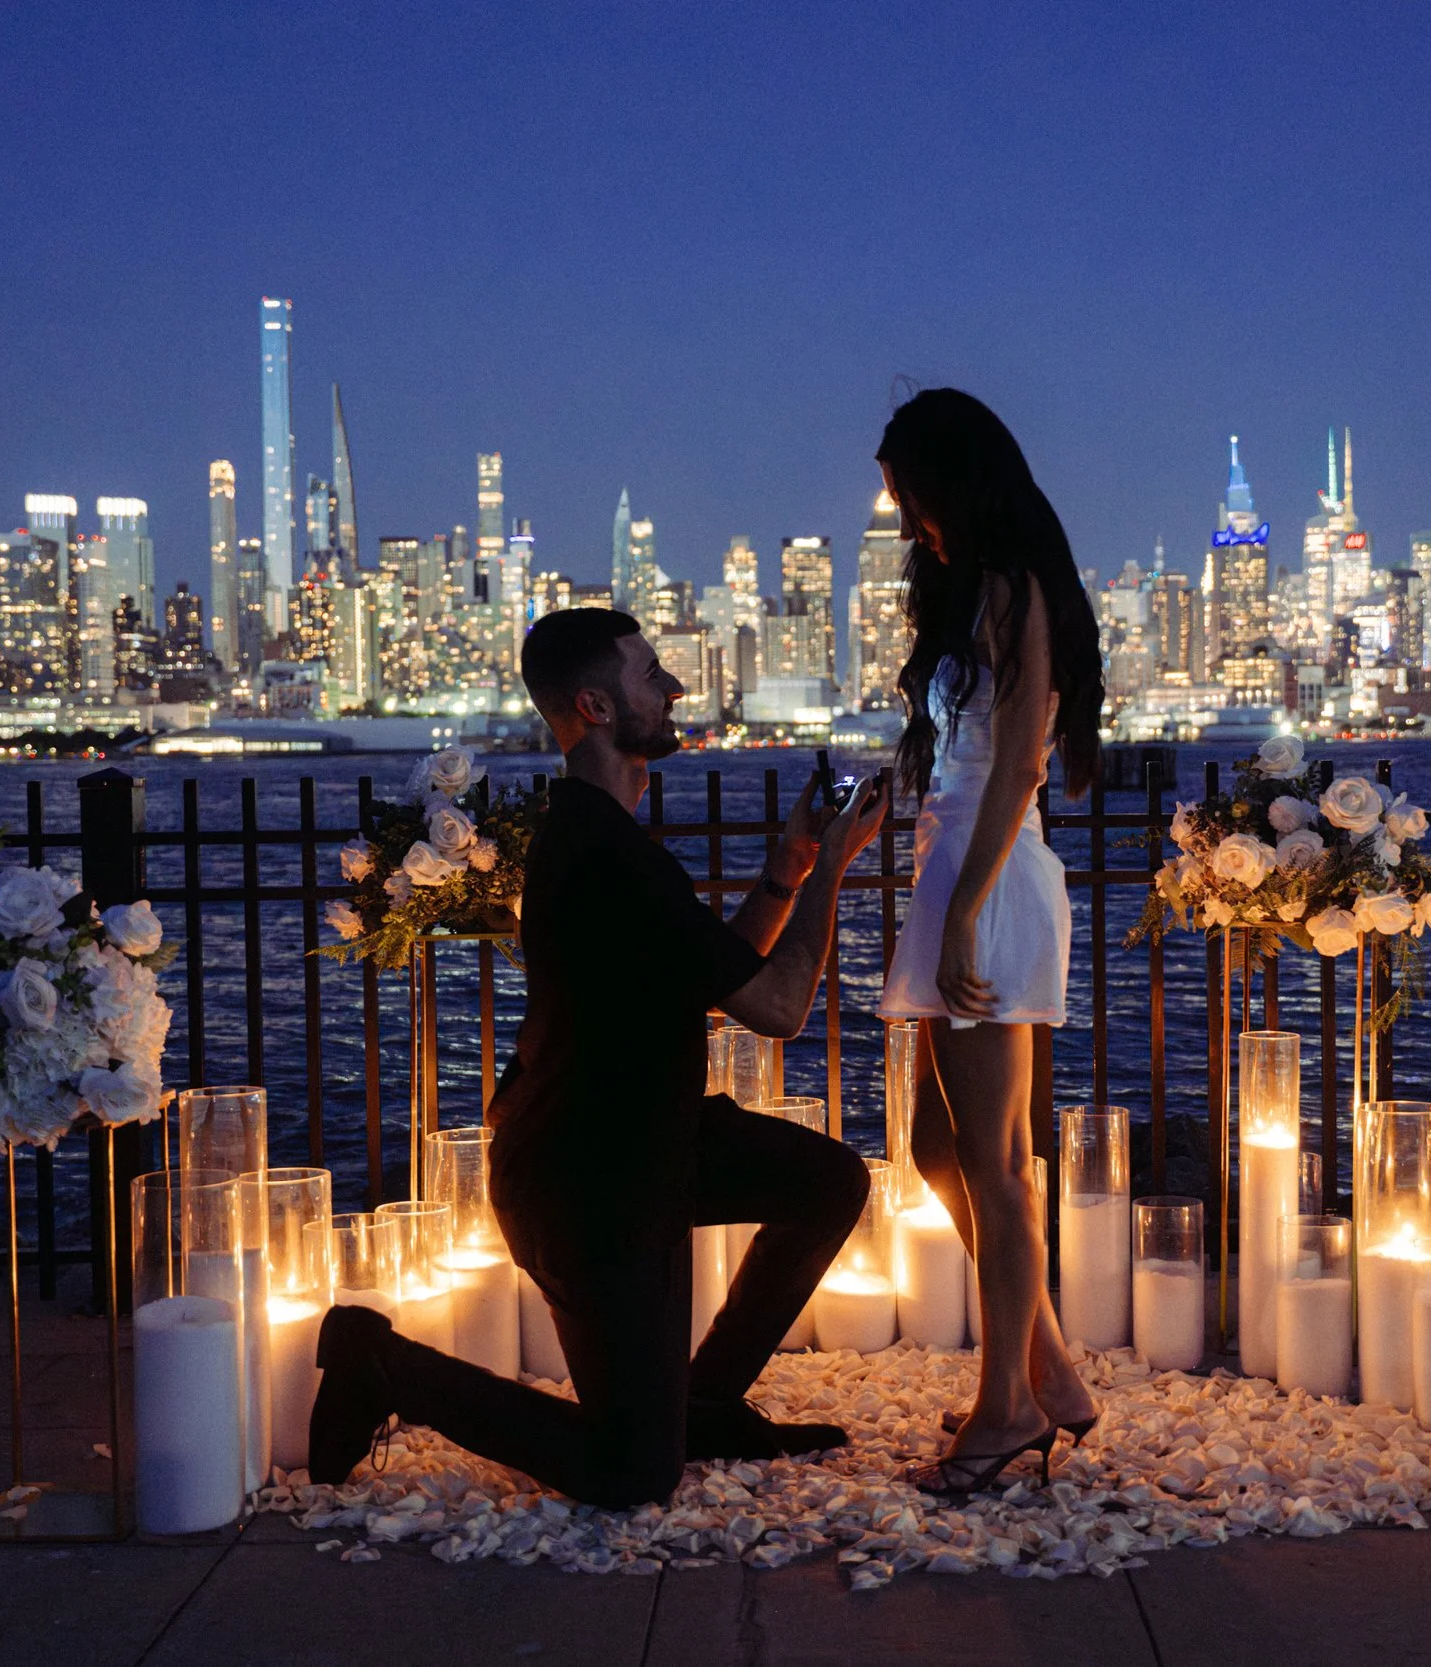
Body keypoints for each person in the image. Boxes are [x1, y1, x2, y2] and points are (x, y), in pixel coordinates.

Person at [307, 608, 887, 1507]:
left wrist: (792, 864)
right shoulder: (606, 852)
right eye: (653, 676)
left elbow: (720, 973)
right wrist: (841, 865)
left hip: (647, 1143)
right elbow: (775, 1007)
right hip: (588, 1191)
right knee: (630, 1474)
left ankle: (694, 1406)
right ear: (597, 705)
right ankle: (377, 1361)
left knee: (828, 1180)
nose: (676, 690)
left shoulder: (598, 837)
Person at [874, 388, 1107, 1495]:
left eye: (909, 491)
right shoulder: (973, 593)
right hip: (953, 862)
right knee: (936, 1150)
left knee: (999, 1168)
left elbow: (1019, 763)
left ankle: (1008, 1403)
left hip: (991, 872)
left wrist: (965, 906)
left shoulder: (1015, 591)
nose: (900, 512)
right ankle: (1052, 1368)